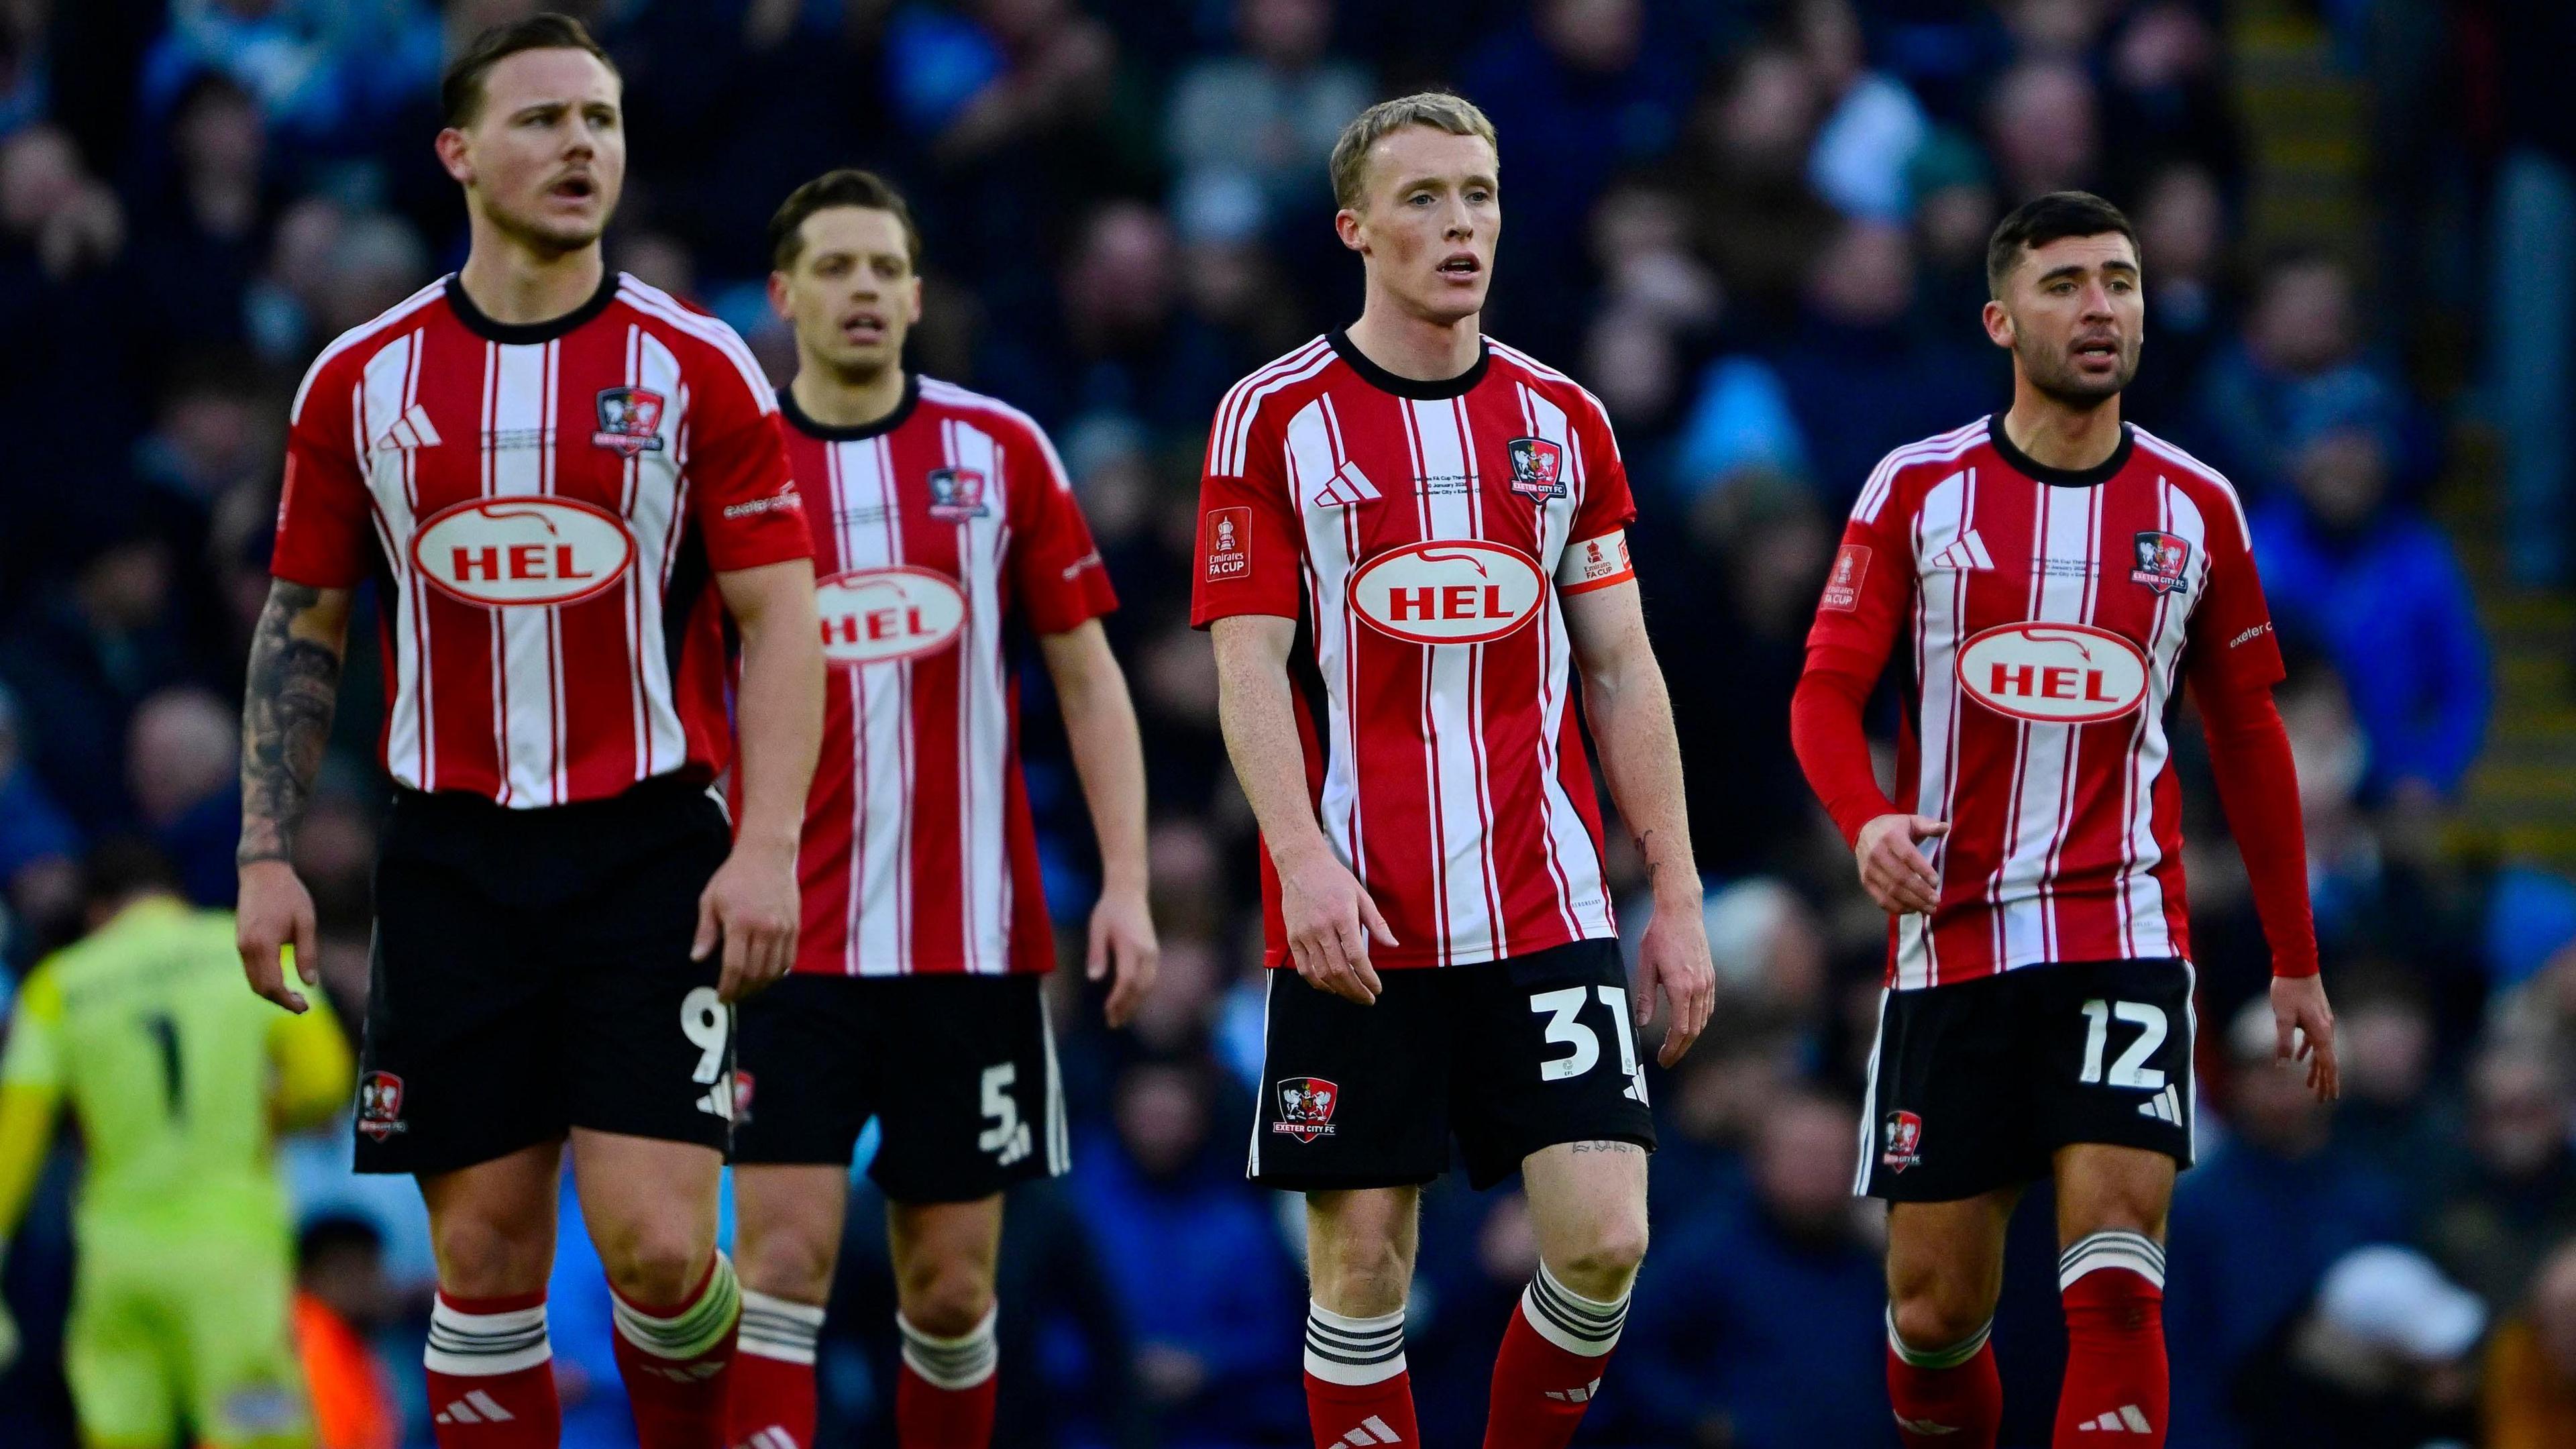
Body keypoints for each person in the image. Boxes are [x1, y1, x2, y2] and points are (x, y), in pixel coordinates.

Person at [233, 16, 824, 1448]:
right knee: (483, 1258)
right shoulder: (359, 380)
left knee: (660, 1252)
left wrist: (765, 850)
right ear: (458, 153)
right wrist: (263, 852)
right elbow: (304, 619)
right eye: (544, 120)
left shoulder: (698, 366)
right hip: (452, 861)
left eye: (600, 122)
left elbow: (783, 621)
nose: (580, 147)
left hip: (650, 854)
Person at [1192, 93, 1717, 1449]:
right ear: (1356, 230)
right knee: (1365, 1263)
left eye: (1478, 194)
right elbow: (1249, 665)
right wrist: (1300, 861)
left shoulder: (1565, 419)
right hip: (1359, 913)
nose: (1460, 224)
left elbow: (1621, 668)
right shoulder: (1271, 417)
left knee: (1605, 1240)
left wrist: (1676, 894)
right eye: (1422, 198)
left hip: (1543, 900)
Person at [1789, 191, 2339, 1449]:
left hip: (2122, 927)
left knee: (2117, 1259)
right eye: (2066, 285)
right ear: (2000, 321)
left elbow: (2250, 739)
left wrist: (2296, 959)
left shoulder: (2198, 506)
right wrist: (1866, 820)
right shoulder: (1918, 489)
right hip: (1953, 943)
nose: (2101, 308)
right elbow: (1823, 694)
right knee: (1934, 1311)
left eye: (2121, 282)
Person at [721, 168, 1158, 1449]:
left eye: (885, 268)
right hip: (783, 947)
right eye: (835, 267)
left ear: (917, 296)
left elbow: (1090, 679)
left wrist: (1127, 883)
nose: (862, 290)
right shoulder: (729, 466)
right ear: (784, 294)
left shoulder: (1001, 450)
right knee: (781, 1268)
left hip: (968, 943)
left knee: (958, 1289)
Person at [0, 839, 354, 1449]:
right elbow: (324, 1083)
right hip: (232, 1254)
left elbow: (15, 1144)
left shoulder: (59, 986)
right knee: (259, 1431)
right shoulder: (250, 949)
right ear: (176, 897)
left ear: (97, 913)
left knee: (122, 1431)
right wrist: (262, 1121)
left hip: (117, 1258)